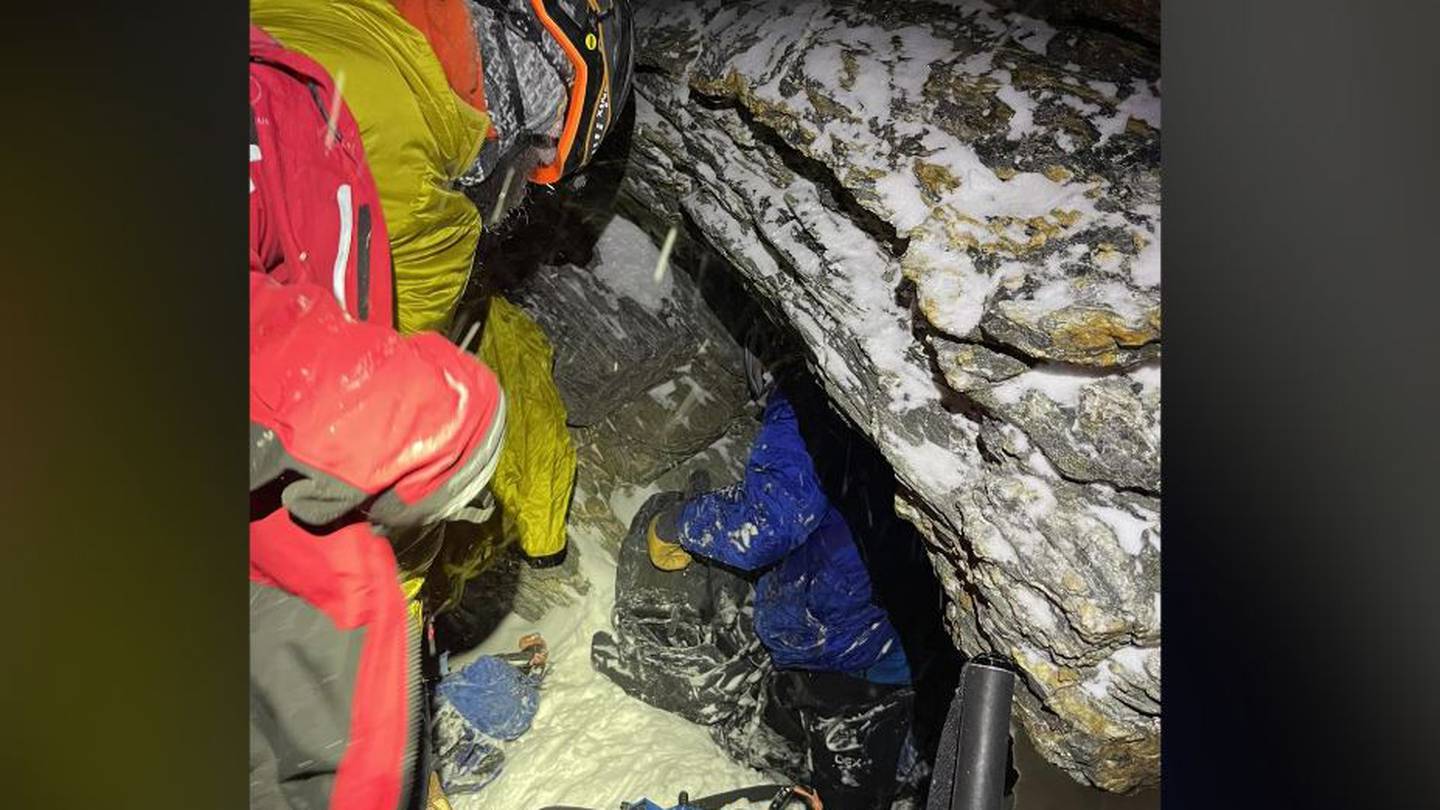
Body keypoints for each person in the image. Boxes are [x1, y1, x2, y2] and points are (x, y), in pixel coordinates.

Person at [592, 385, 918, 810]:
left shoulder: (808, 398)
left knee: (851, 786)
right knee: (850, 740)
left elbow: (768, 522)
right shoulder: (879, 396)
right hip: (871, 625)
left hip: (851, 650)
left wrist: (676, 525)